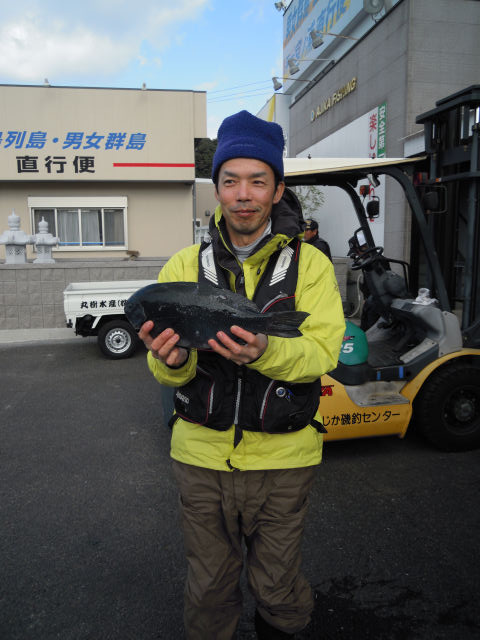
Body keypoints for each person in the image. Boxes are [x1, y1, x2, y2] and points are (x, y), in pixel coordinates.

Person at [138, 110, 345, 640]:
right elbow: (163, 368)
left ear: (277, 190)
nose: (244, 195)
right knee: (208, 590)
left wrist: (264, 351)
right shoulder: (183, 266)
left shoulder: (312, 266)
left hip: (284, 460)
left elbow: (323, 353)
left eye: (258, 180)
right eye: (230, 181)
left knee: (277, 587)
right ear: (217, 190)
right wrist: (172, 361)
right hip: (200, 459)